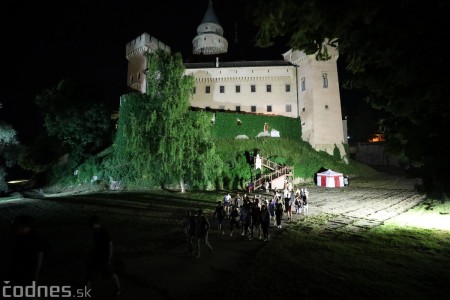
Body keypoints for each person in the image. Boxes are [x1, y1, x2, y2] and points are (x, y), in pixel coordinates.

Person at [85, 215, 122, 297]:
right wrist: (92, 252)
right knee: (88, 275)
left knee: (110, 274)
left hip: (103, 258)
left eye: (91, 225)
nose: (90, 227)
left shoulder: (104, 231)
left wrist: (109, 258)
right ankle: (87, 293)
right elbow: (97, 245)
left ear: (95, 223)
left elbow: (110, 245)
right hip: (97, 257)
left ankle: (119, 289)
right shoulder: (95, 232)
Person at [9, 215, 48, 286]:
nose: (12, 228)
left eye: (16, 225)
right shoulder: (23, 236)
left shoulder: (35, 239)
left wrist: (35, 275)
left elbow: (39, 257)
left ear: (25, 226)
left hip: (27, 272)